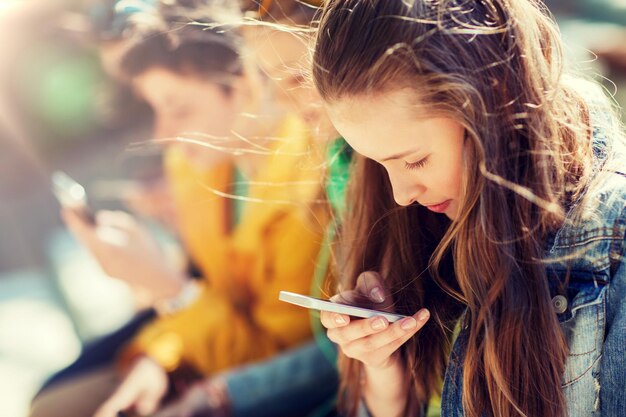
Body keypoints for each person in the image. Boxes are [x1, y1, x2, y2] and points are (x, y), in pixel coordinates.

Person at [311, 1, 626, 417]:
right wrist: (386, 370)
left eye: (415, 161)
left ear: (495, 102)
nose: (401, 194)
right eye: (378, 162)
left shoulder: (610, 246)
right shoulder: (421, 220)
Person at [31, 2, 330, 417]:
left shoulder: (309, 196)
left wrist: (168, 288)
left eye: (179, 110)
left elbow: (278, 361)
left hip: (250, 384)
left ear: (241, 84)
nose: (163, 133)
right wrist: (157, 359)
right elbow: (209, 284)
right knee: (51, 403)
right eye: (156, 111)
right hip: (197, 350)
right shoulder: (193, 167)